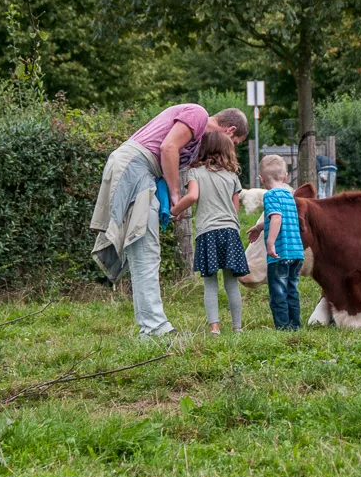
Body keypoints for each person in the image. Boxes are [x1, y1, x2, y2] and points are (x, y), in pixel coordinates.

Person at [90, 104, 248, 338]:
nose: (230, 148)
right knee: (145, 250)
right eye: (234, 142)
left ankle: (151, 327)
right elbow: (168, 147)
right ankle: (154, 328)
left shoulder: (197, 143)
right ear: (230, 130)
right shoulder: (199, 114)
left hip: (143, 172)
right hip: (134, 167)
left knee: (145, 250)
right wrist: (175, 195)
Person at [170, 132, 249, 336]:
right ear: (227, 151)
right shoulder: (232, 176)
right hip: (230, 232)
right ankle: (237, 327)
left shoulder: (195, 173)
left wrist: (174, 211)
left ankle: (214, 328)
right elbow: (235, 209)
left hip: (207, 232)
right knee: (232, 282)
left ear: (201, 149)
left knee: (210, 282)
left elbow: (193, 196)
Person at [246, 155, 304, 330]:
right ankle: (295, 325)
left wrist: (270, 243)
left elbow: (277, 218)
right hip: (296, 254)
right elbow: (279, 218)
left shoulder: (270, 195)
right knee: (292, 291)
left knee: (278, 292)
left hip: (280, 254)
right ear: (285, 176)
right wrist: (259, 227)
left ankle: (282, 327)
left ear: (261, 179)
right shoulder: (289, 196)